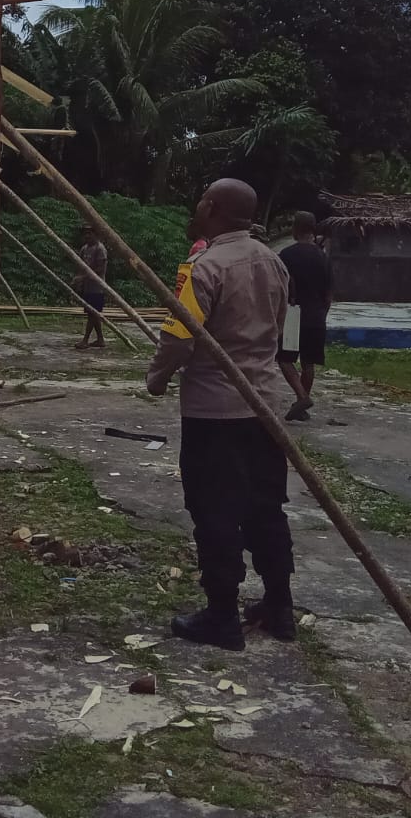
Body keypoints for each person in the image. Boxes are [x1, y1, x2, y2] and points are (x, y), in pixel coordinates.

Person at [147, 178, 297, 649]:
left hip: (214, 411)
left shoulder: (203, 268)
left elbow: (180, 336)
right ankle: (279, 606)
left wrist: (157, 377)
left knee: (214, 511)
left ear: (211, 207)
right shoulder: (275, 263)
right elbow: (279, 330)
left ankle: (221, 617)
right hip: (265, 407)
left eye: (199, 199)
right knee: (266, 508)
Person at [277, 211, 333, 422]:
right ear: (313, 229)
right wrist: (322, 315)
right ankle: (302, 404)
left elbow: (283, 286)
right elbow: (329, 295)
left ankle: (301, 397)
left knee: (284, 359)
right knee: (308, 362)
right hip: (317, 315)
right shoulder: (324, 258)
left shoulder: (287, 255)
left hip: (294, 314)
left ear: (295, 229)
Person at [72, 224, 109, 350]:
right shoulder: (85, 249)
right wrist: (79, 279)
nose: (87, 236)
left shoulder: (100, 249)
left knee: (93, 313)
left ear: (96, 235)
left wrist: (83, 277)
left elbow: (101, 269)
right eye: (86, 233)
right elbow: (81, 265)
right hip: (87, 286)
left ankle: (85, 340)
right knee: (92, 313)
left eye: (90, 233)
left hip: (97, 287)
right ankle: (100, 339)